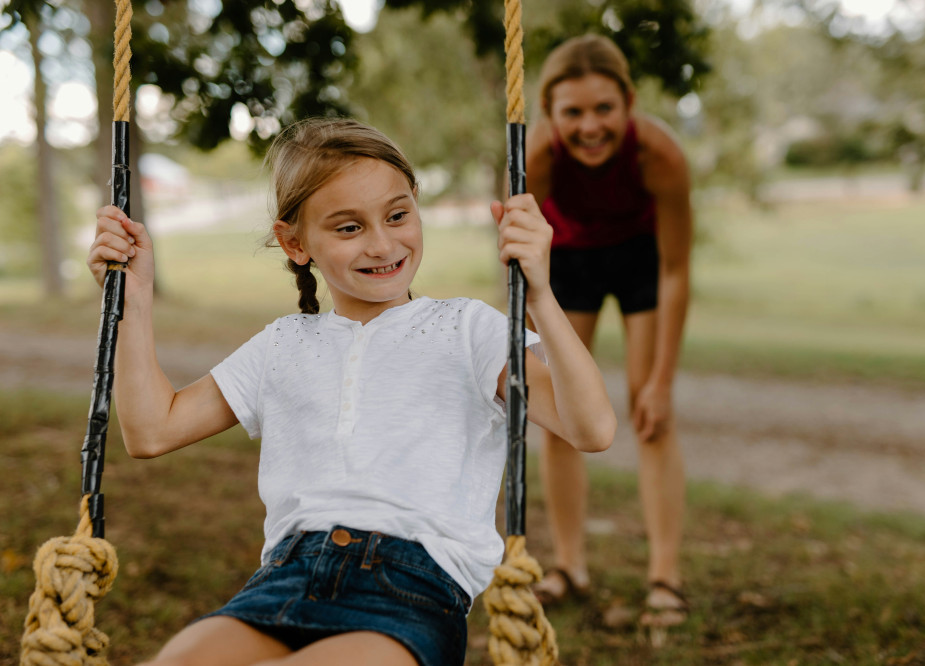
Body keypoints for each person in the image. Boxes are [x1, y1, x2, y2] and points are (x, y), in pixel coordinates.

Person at [86, 117, 616, 666]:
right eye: (348, 228)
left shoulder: (468, 329)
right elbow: (152, 431)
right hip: (283, 580)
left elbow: (591, 428)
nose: (382, 243)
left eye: (397, 215)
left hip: (411, 593)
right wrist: (134, 300)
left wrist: (540, 295)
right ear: (295, 242)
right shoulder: (283, 344)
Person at [525, 35, 693, 627]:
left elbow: (676, 270)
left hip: (641, 258)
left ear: (629, 103)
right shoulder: (536, 159)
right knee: (560, 412)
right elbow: (521, 259)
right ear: (550, 112)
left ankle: (665, 577)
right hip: (568, 261)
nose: (590, 126)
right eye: (573, 111)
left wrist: (663, 381)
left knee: (651, 413)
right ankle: (569, 566)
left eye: (604, 109)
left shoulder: (659, 155)